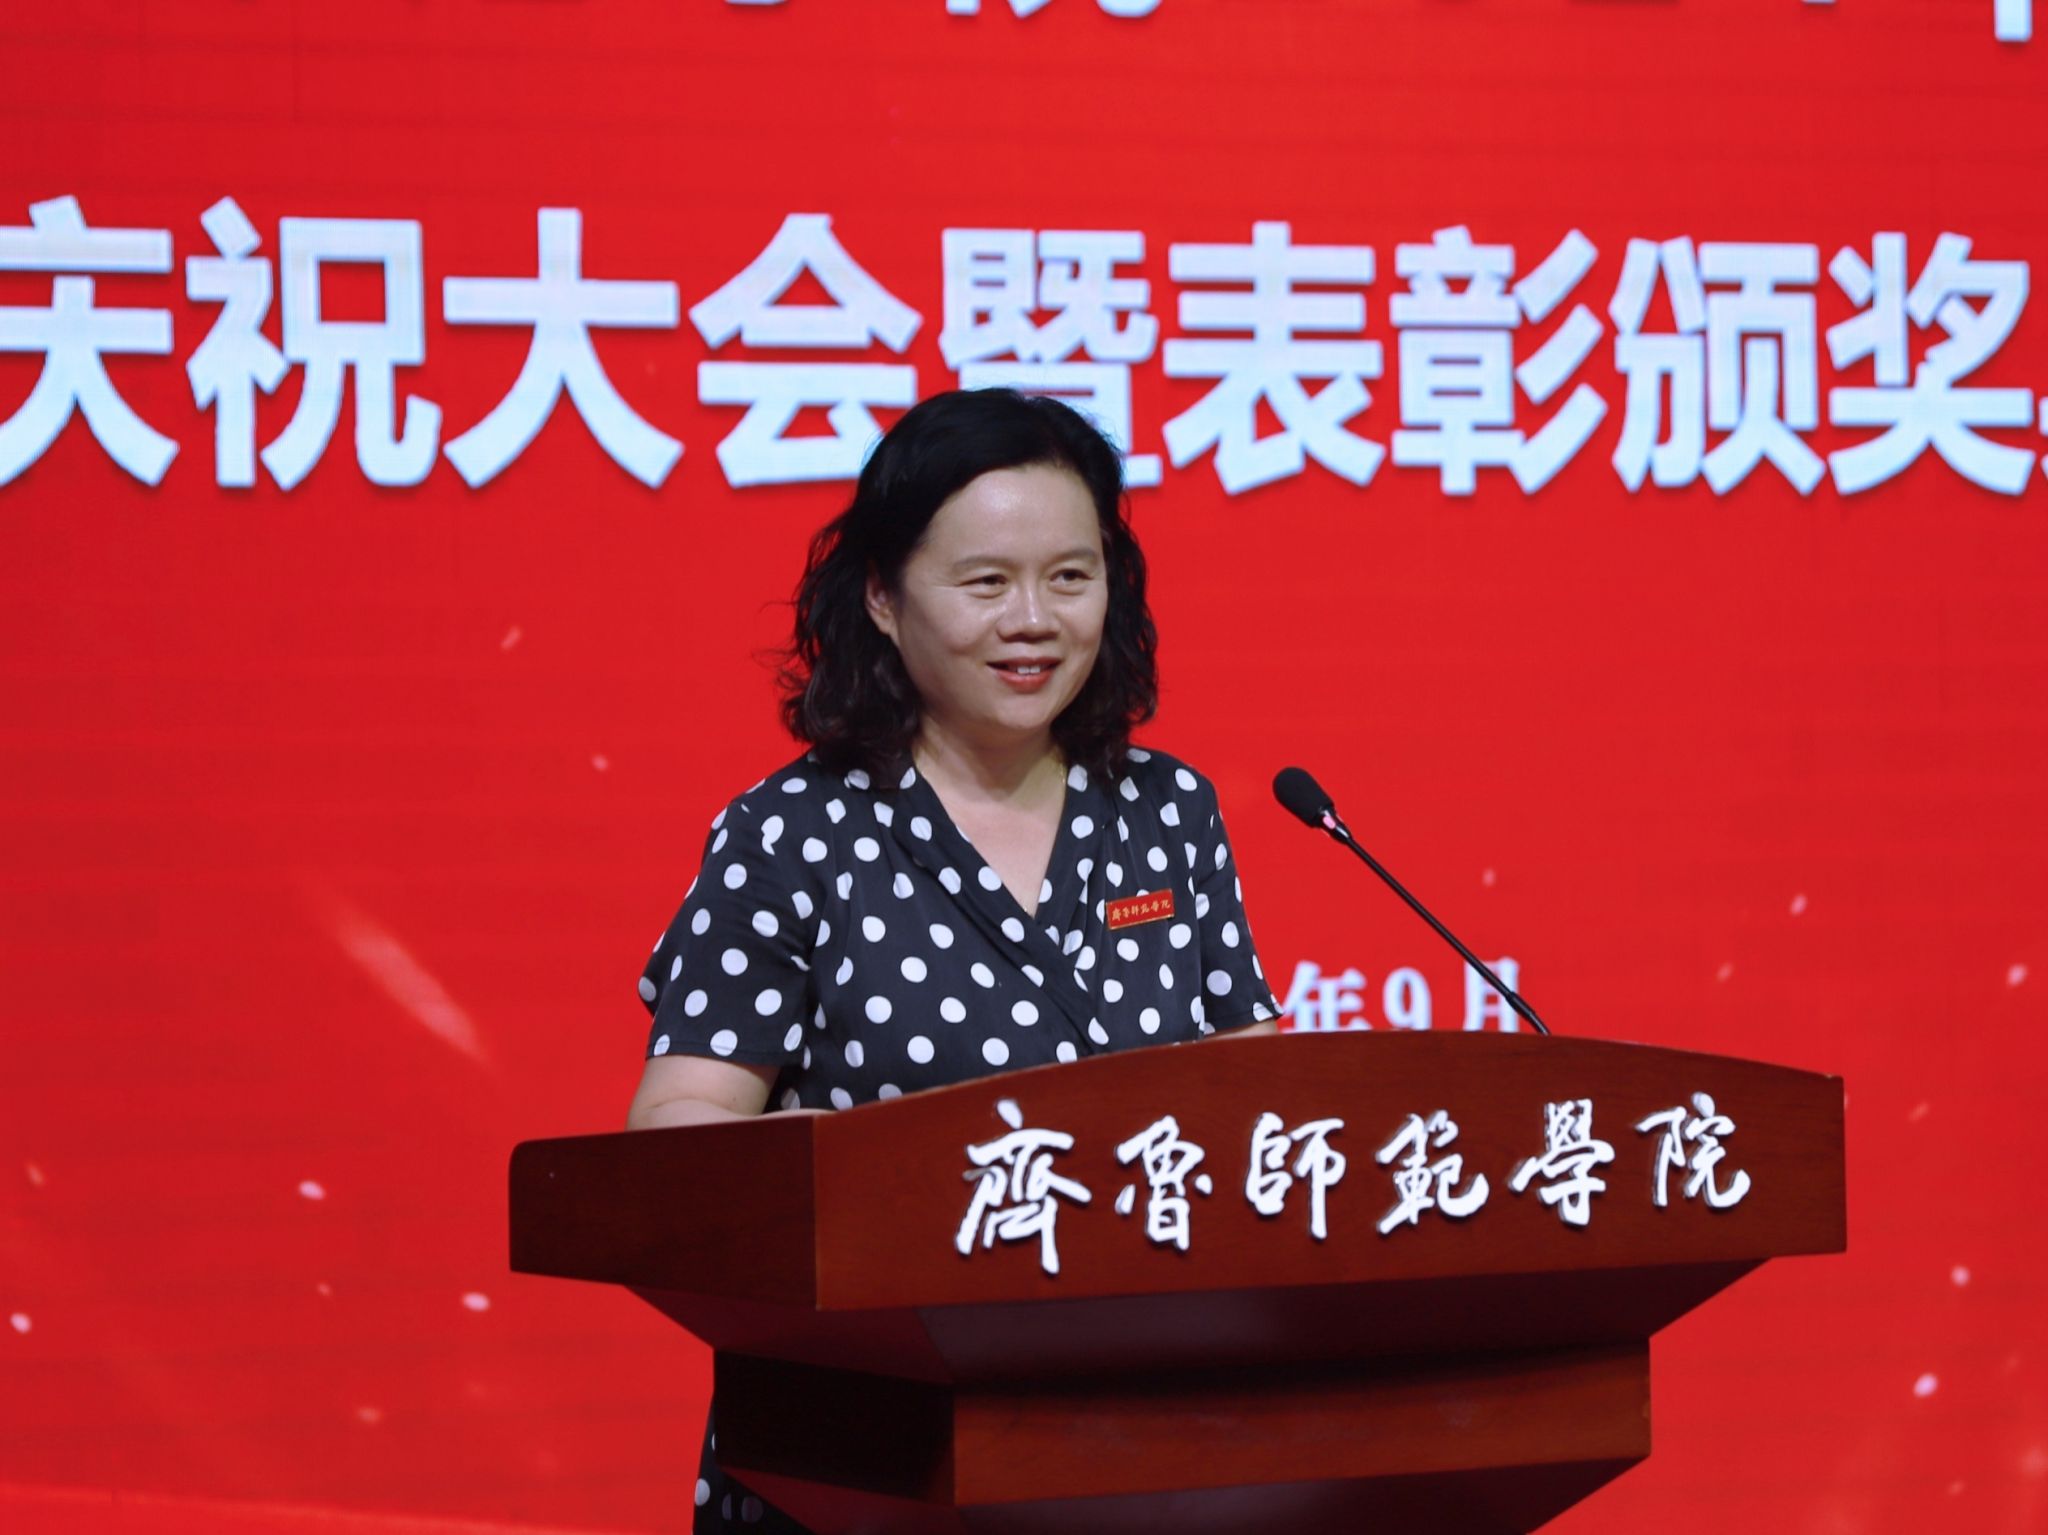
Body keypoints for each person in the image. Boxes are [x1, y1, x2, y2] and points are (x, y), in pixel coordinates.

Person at [625, 387, 1279, 1533]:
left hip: (1134, 1435)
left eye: (1069, 576)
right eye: (984, 583)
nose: (1032, 619)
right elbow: (676, 1132)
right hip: (862, 1450)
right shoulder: (794, 834)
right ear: (881, 596)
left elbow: (1254, 1094)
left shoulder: (1165, 810)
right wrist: (854, 1174)